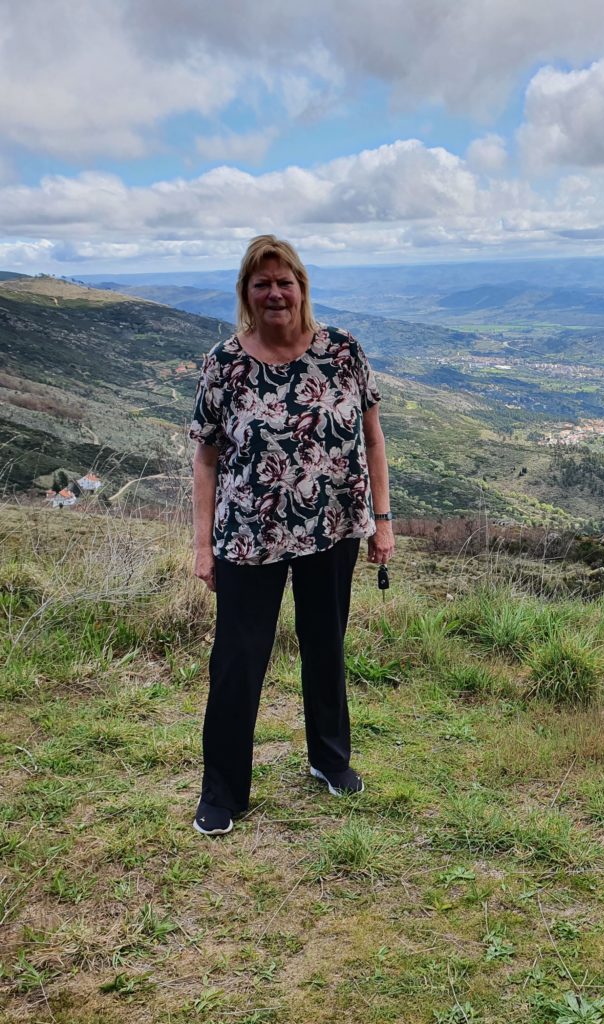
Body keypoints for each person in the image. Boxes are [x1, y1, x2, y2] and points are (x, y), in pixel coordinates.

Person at [189, 234, 394, 836]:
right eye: (262, 283)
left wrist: (383, 520)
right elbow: (206, 458)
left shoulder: (344, 351)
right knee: (237, 661)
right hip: (249, 538)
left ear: (302, 287)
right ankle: (223, 790)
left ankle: (329, 760)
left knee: (326, 646)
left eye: (286, 282)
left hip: (333, 529)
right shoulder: (224, 363)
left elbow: (373, 436)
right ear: (247, 295)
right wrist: (203, 546)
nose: (275, 293)